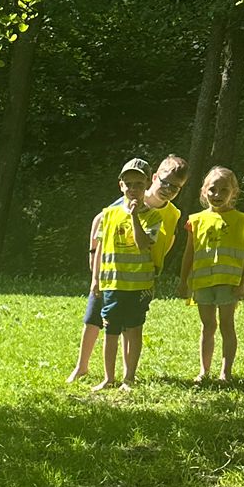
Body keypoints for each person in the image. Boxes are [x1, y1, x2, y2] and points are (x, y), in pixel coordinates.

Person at [67, 155, 186, 383]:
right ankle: (82, 366)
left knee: (129, 325)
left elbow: (169, 238)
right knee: (94, 315)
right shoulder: (130, 197)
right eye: (165, 183)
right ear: (154, 178)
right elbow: (100, 222)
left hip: (139, 277)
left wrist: (156, 264)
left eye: (175, 187)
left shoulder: (172, 213)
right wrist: (93, 258)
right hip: (111, 272)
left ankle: (126, 376)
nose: (168, 189)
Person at [179, 166, 244, 382]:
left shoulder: (240, 220)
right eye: (212, 189)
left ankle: (225, 372)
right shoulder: (196, 220)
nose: (217, 194)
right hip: (203, 281)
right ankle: (204, 371)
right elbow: (189, 253)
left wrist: (242, 283)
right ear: (204, 191)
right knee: (207, 325)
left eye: (224, 190)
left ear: (234, 192)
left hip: (228, 282)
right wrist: (183, 281)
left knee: (227, 325)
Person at [88, 159, 154, 391]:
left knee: (134, 330)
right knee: (110, 331)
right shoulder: (109, 214)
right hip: (112, 284)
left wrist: (134, 216)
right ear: (121, 186)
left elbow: (143, 244)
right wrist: (96, 279)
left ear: (148, 185)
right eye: (129, 184)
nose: (133, 189)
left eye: (139, 184)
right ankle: (109, 378)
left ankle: (129, 378)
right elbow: (100, 248)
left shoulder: (153, 216)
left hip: (138, 285)